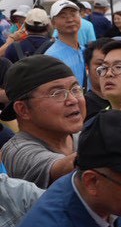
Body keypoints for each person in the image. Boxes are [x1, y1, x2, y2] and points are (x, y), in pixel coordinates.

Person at [0, 56, 84, 188]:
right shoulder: (17, 152)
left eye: (76, 89)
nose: (73, 100)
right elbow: (61, 169)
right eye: (57, 93)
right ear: (23, 109)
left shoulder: (83, 136)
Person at [42, 0, 87, 84]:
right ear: (53, 23)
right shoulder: (52, 57)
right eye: (63, 16)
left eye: (73, 14)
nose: (70, 19)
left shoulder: (84, 50)